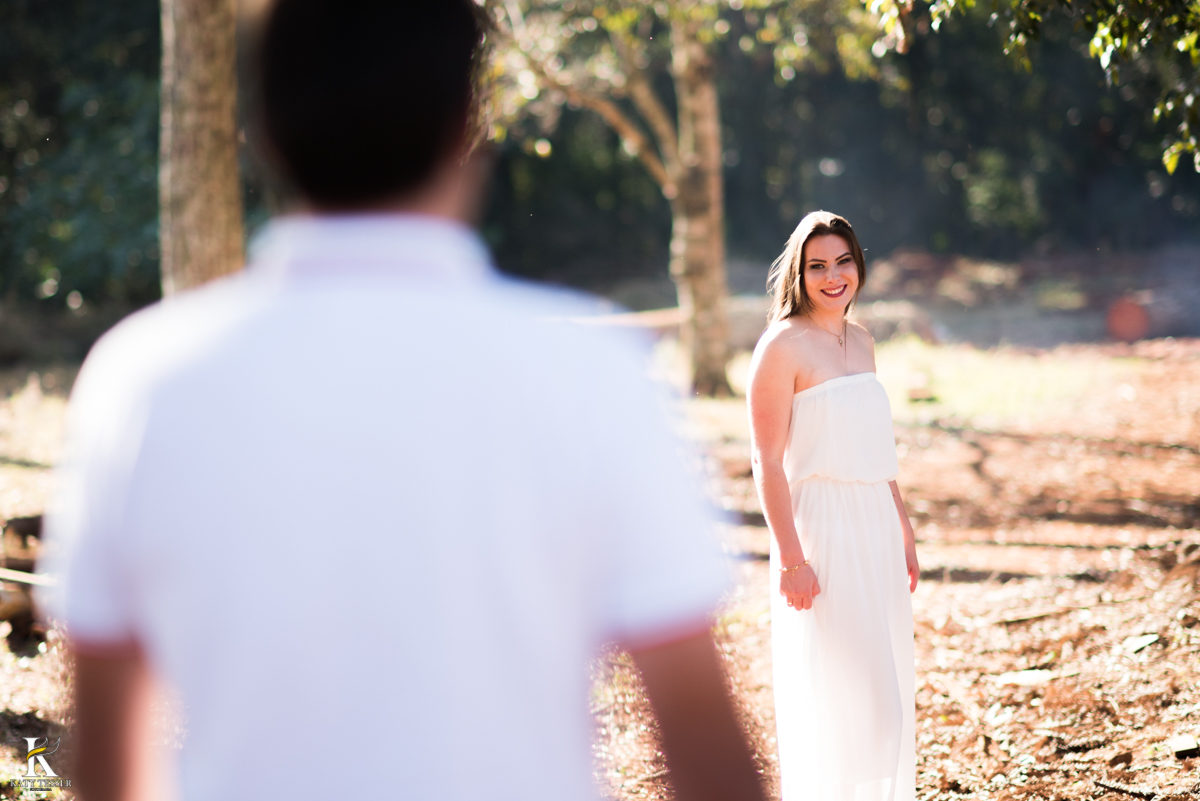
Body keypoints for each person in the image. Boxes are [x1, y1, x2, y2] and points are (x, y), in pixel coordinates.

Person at [41, 3, 767, 801]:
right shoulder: (590, 374)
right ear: (468, 120)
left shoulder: (146, 381)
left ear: (259, 127)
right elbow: (709, 759)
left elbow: (106, 759)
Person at [746, 211, 919, 801]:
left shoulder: (864, 340)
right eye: (817, 265)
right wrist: (792, 558)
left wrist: (903, 526)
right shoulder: (781, 346)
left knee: (886, 696)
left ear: (858, 266)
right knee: (841, 699)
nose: (832, 276)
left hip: (874, 520)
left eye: (842, 261)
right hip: (821, 530)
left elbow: (876, 447)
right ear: (799, 273)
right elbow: (767, 463)